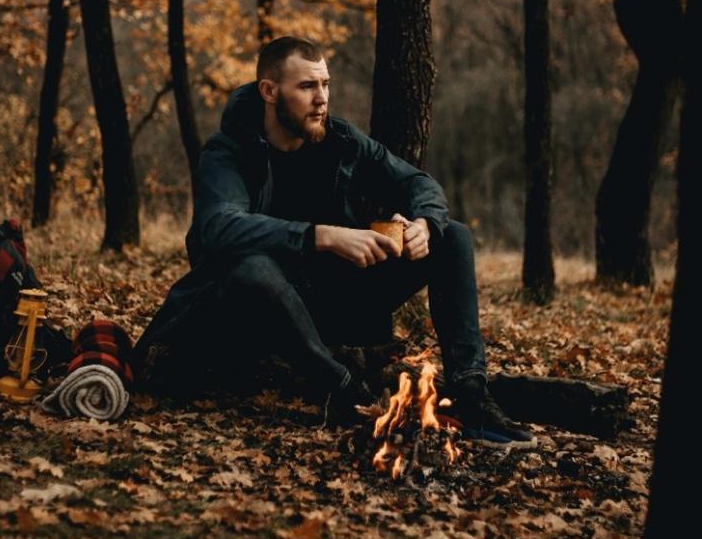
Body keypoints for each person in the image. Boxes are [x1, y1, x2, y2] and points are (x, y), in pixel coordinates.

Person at [133, 36, 531, 442]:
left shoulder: (340, 140)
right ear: (270, 92)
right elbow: (219, 227)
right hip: (258, 313)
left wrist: (425, 224)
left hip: (336, 304)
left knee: (454, 237)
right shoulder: (228, 152)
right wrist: (320, 236)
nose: (321, 98)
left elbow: (416, 181)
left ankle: (470, 394)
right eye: (307, 87)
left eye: (325, 84)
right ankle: (343, 389)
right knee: (252, 267)